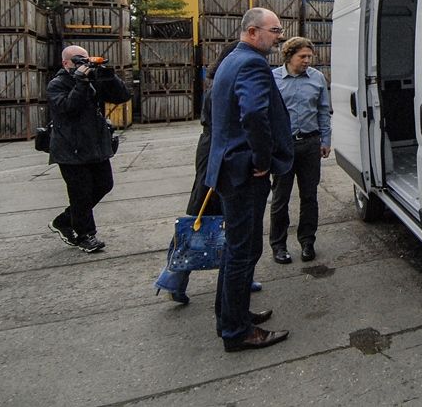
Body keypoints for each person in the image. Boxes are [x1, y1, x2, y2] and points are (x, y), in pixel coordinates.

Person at [205, 8, 294, 352]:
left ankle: (230, 315)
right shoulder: (252, 63)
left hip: (229, 168)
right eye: (274, 31)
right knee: (245, 251)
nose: (279, 37)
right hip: (244, 171)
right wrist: (261, 160)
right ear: (253, 32)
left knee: (236, 249)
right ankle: (237, 331)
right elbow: (255, 113)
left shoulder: (233, 59)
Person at [153, 41, 262, 304]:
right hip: (218, 155)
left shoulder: (219, 85)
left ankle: (235, 279)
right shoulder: (223, 88)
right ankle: (174, 277)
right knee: (200, 217)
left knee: (216, 218)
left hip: (216, 152)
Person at [47, 45, 132, 253]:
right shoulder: (57, 84)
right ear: (66, 63)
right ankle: (86, 235)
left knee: (104, 184)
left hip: (95, 146)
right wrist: (80, 83)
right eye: (78, 61)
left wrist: (107, 75)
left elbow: (122, 96)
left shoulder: (93, 80)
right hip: (70, 150)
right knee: (81, 193)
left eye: (86, 60)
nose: (83, 65)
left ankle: (65, 220)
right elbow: (69, 108)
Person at [270, 37, 331, 264]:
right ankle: (279, 245)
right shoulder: (273, 79)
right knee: (280, 198)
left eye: (309, 56)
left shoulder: (317, 78)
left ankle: (307, 241)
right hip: (283, 147)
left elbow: (324, 111)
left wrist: (325, 140)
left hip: (309, 145)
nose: (307, 61)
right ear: (289, 56)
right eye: (302, 57)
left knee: (309, 196)